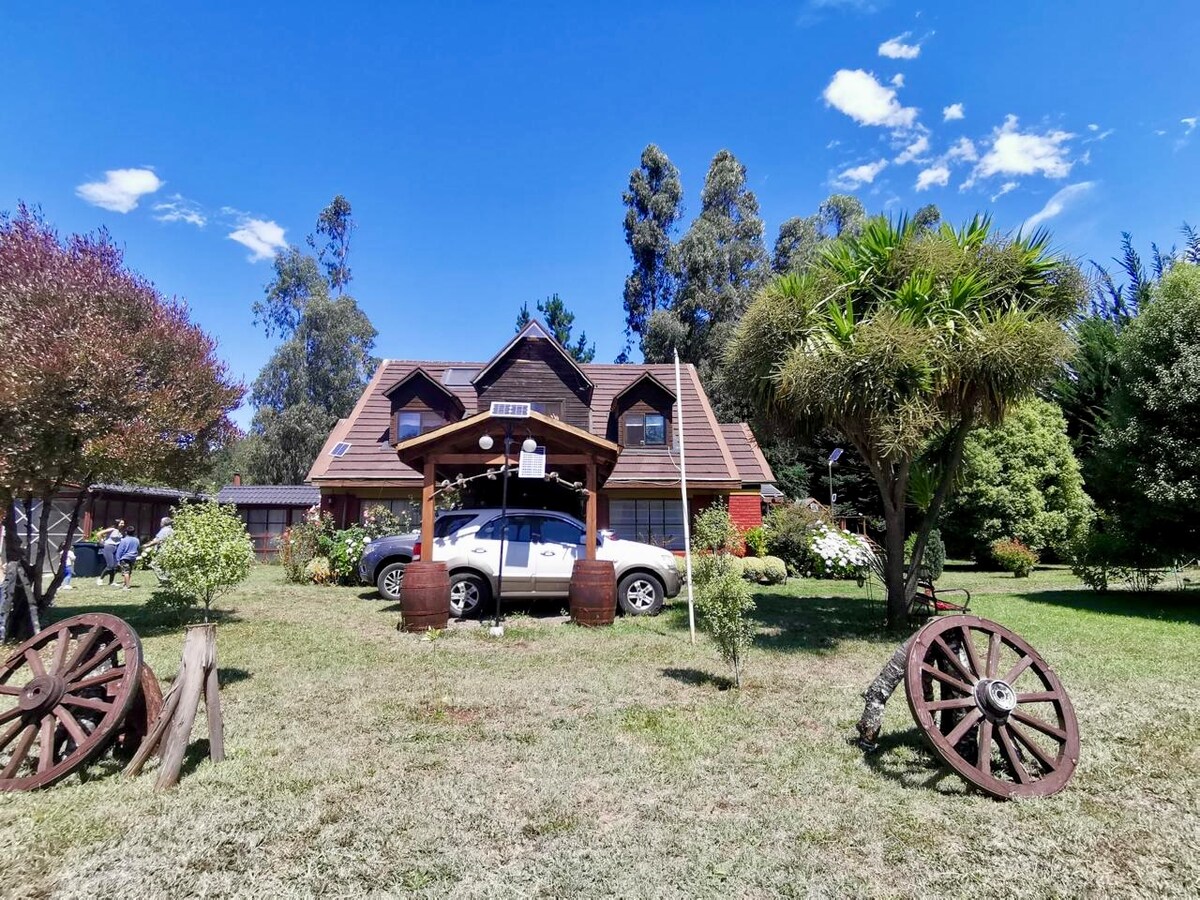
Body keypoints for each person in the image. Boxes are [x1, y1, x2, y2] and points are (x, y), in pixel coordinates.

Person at [142, 516, 175, 582]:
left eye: (161, 522)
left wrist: (147, 545)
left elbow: (157, 540)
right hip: (169, 550)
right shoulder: (171, 530)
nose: (160, 523)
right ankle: (168, 579)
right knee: (166, 566)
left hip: (163, 550)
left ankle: (164, 579)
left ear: (164, 523)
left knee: (154, 564)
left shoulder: (164, 530)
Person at [97, 519, 125, 586]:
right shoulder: (112, 529)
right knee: (110, 565)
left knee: (115, 566)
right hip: (108, 547)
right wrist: (101, 541)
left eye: (123, 523)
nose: (123, 525)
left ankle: (111, 581)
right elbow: (99, 533)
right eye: (121, 523)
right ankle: (100, 579)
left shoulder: (120, 531)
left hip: (116, 547)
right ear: (117, 523)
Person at [115, 525, 140, 591]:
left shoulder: (124, 540)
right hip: (133, 557)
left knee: (126, 572)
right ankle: (125, 583)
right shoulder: (136, 540)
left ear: (126, 532)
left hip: (125, 557)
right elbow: (138, 548)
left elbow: (120, 550)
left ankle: (127, 586)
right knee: (129, 571)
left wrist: (118, 560)